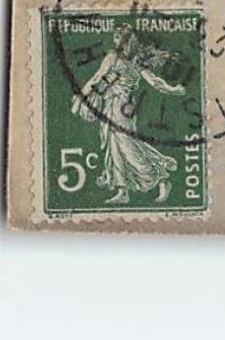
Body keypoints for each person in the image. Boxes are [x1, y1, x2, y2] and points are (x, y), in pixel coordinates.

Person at [71, 25, 186, 205]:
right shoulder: (136, 61)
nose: (115, 41)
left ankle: (160, 177)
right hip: (123, 106)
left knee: (126, 146)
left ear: (123, 41)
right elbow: (155, 82)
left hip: (119, 106)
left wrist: (80, 98)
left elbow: (96, 79)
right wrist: (173, 89)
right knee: (116, 146)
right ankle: (122, 190)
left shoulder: (114, 58)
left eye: (117, 38)